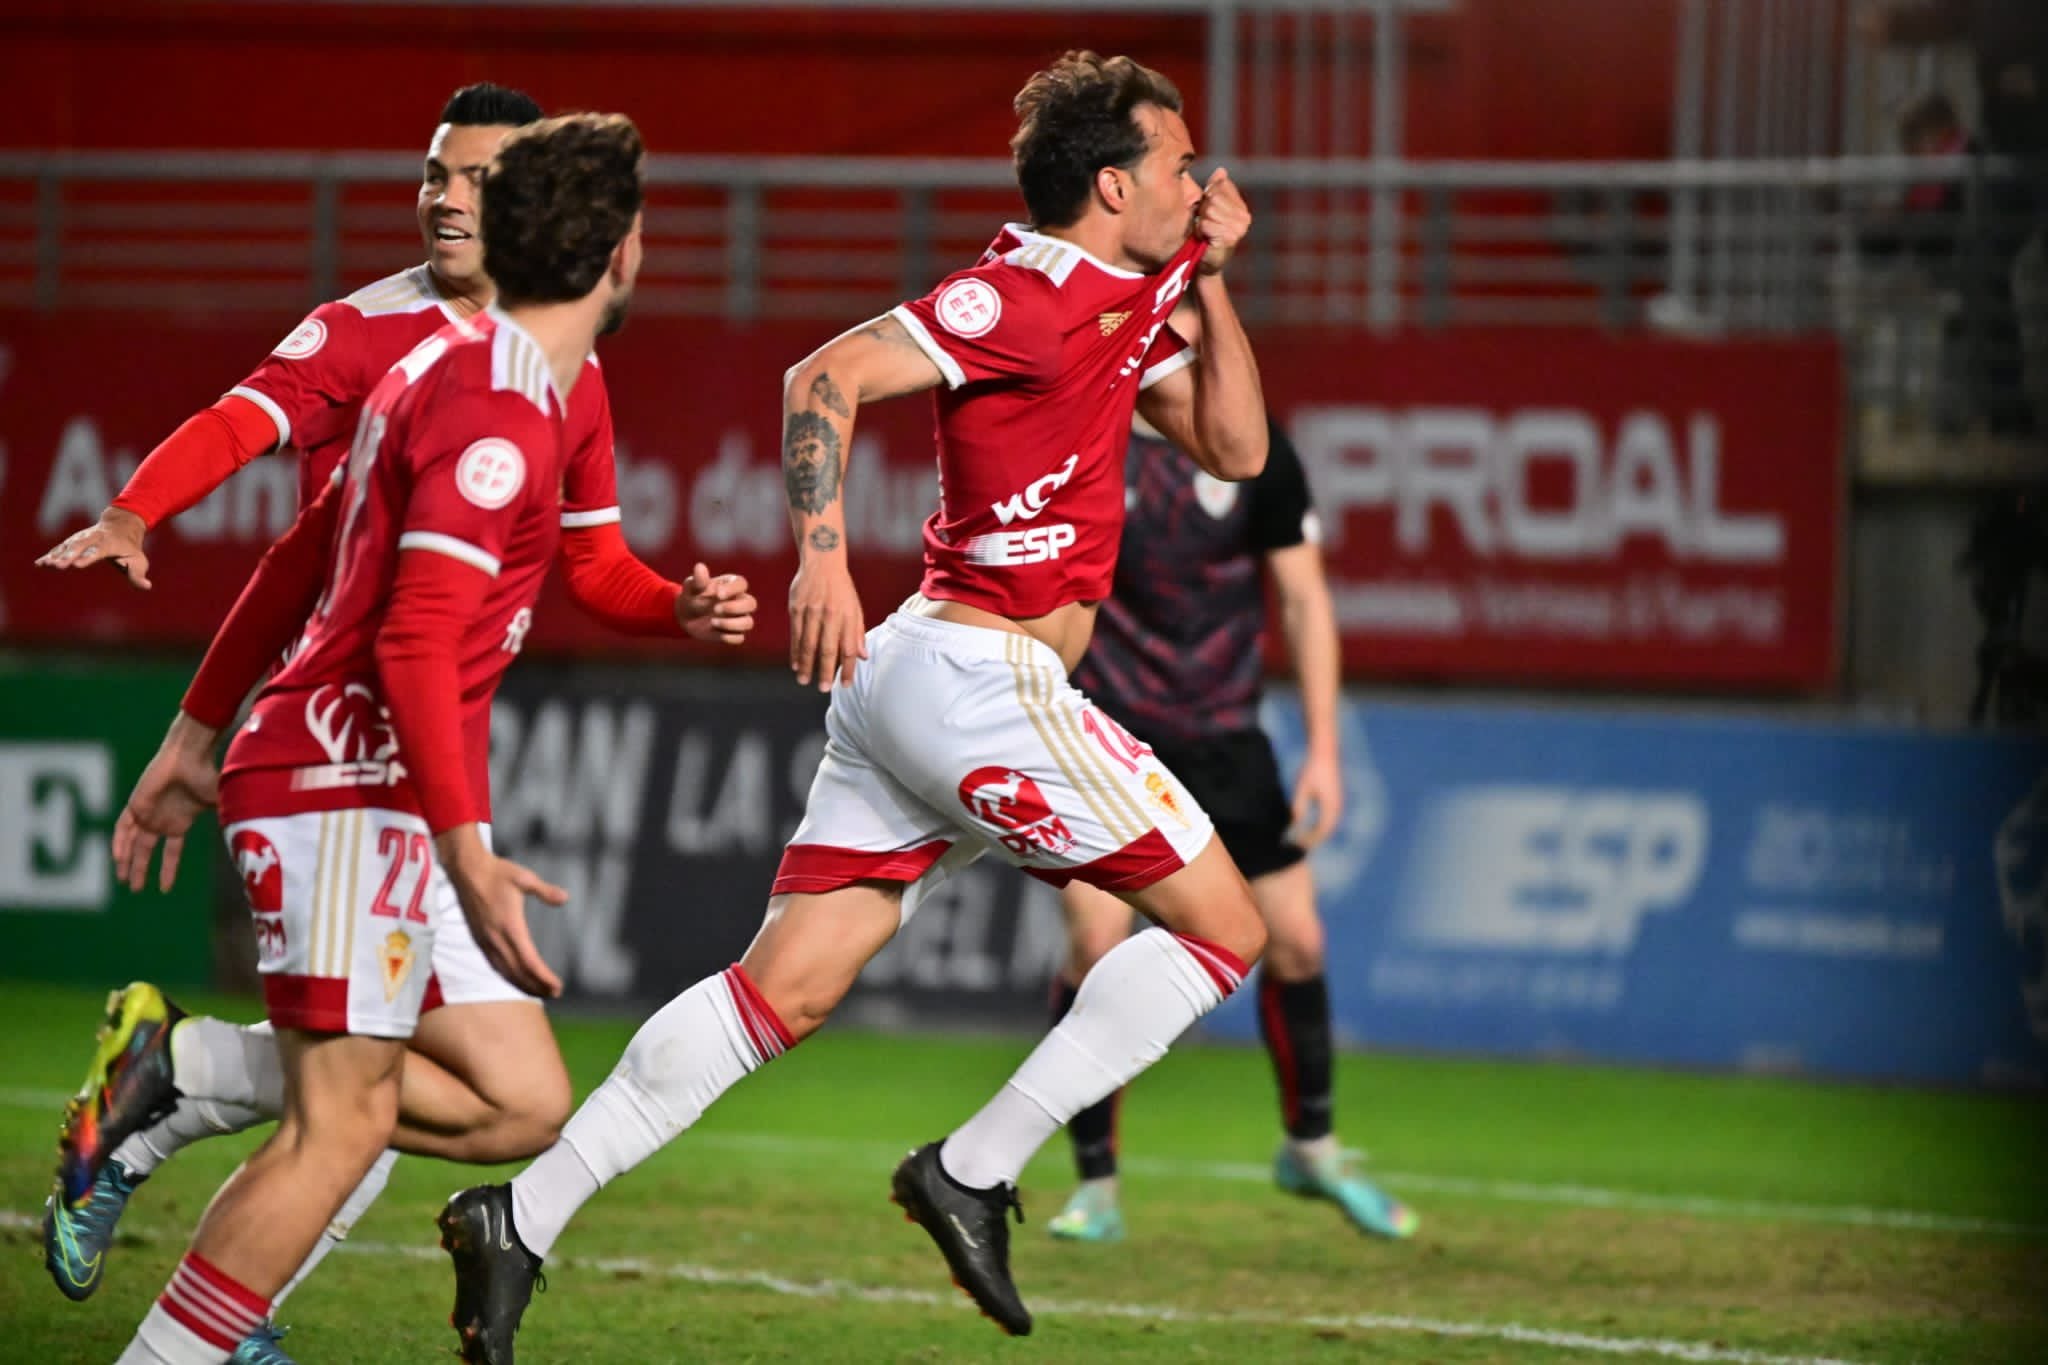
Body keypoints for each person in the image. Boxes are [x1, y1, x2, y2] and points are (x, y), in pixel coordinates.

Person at [436, 50, 1269, 1361]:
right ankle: (977, 1170)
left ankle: (520, 1216)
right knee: (1226, 929)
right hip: (978, 678)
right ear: (1113, 184)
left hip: (921, 687)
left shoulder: (1128, 297)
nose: (1201, 178)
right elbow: (818, 377)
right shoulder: (1024, 294)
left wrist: (1212, 281)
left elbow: (1236, 449)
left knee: (785, 990)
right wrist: (820, 551)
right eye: (1176, 161)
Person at [37, 85, 749, 1364]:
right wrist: (469, 847)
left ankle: (181, 1071)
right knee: (341, 1131)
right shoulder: (463, 389)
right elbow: (399, 623)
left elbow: (353, 552)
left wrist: (675, 606)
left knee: (516, 1100)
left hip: (377, 779)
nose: (446, 194)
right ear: (618, 248)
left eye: (473, 177)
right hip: (346, 777)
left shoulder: (502, 378)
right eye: (439, 173)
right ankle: (194, 1325)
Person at [1042, 314, 1417, 1245]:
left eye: (1190, 334)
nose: (1177, 349)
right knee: (1096, 942)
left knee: (1295, 940)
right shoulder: (1084, 446)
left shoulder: (1258, 455)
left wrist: (1324, 747)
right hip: (1110, 737)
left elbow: (1305, 598)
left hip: (1225, 741)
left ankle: (1311, 1147)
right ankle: (1095, 1185)